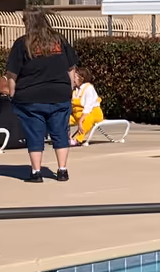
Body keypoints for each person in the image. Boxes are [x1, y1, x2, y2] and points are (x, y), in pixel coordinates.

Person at [6, 10, 79, 182]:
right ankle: (62, 170)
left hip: (30, 96)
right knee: (60, 132)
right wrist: (68, 89)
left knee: (34, 133)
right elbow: (71, 69)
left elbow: (12, 74)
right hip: (59, 93)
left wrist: (12, 93)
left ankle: (36, 172)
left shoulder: (22, 43)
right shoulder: (60, 41)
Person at [69, 76, 104, 145]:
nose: (72, 78)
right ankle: (65, 138)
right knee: (62, 118)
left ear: (81, 78)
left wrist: (80, 121)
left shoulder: (89, 88)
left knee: (88, 119)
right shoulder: (75, 90)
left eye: (75, 77)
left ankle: (78, 139)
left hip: (92, 113)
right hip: (77, 115)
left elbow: (88, 107)